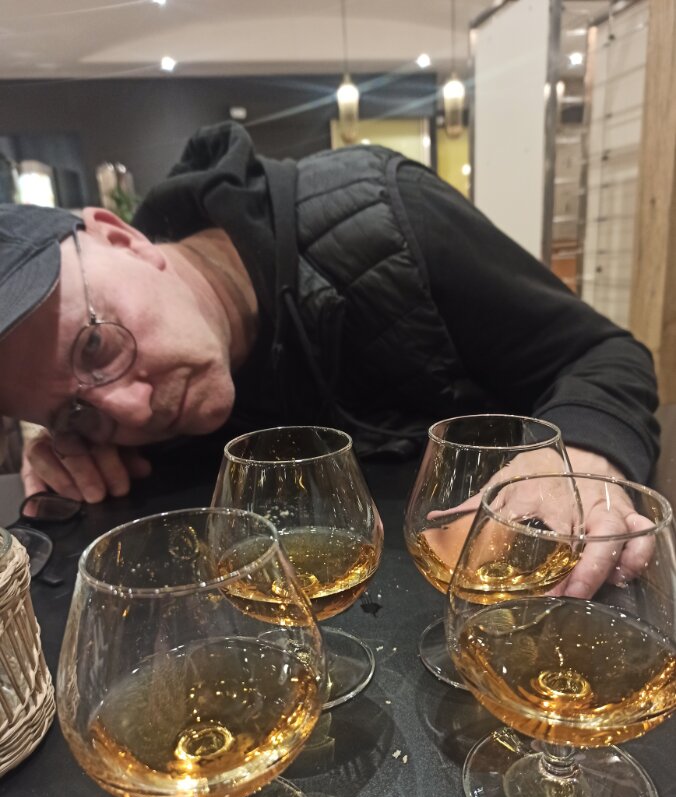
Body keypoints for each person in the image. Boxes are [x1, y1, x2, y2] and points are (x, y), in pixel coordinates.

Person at [0, 122, 660, 527]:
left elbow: (605, 352)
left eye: (96, 344)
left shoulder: (386, 216)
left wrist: (577, 454)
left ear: (122, 239)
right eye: (75, 411)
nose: (134, 409)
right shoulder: (125, 419)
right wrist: (71, 450)